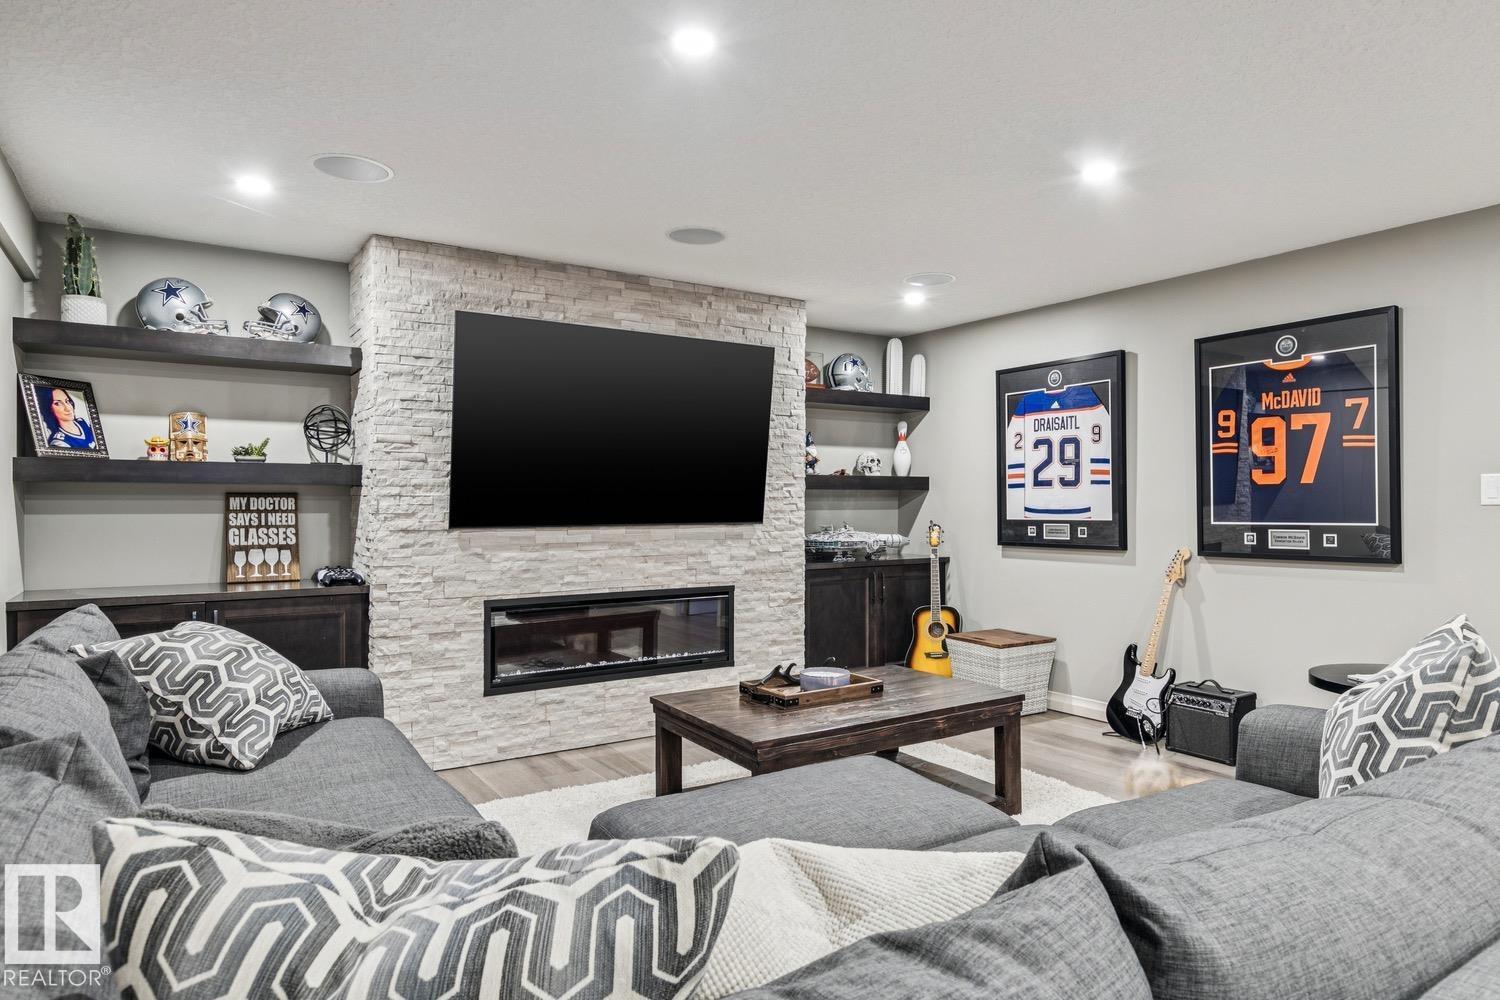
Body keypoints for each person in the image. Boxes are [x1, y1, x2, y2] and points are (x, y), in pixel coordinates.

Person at [40, 385, 96, 450]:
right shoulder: (59, 442)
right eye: (57, 403)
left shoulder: (82, 422)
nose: (68, 408)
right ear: (49, 408)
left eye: (67, 401)